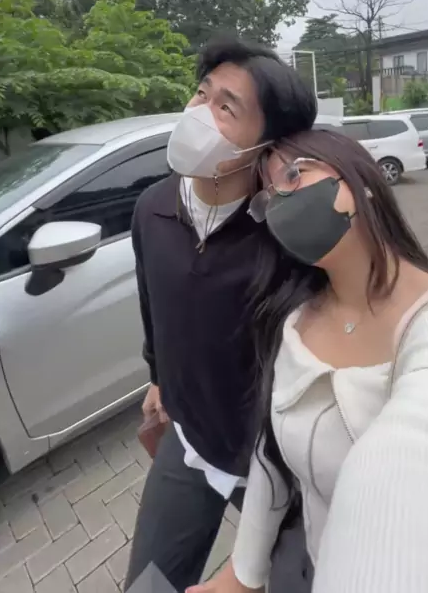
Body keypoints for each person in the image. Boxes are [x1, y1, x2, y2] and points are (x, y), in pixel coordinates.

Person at [190, 128, 428, 593]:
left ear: (362, 179)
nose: (280, 203)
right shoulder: (292, 322)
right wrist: (241, 574)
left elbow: (424, 440)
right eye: (267, 197)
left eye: (293, 175)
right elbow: (271, 458)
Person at [124, 37, 318, 593]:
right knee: (148, 587)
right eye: (202, 93)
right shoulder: (153, 208)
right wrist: (158, 378)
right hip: (190, 441)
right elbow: (153, 306)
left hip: (274, 464)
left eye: (226, 107)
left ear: (267, 143)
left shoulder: (287, 235)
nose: (199, 113)